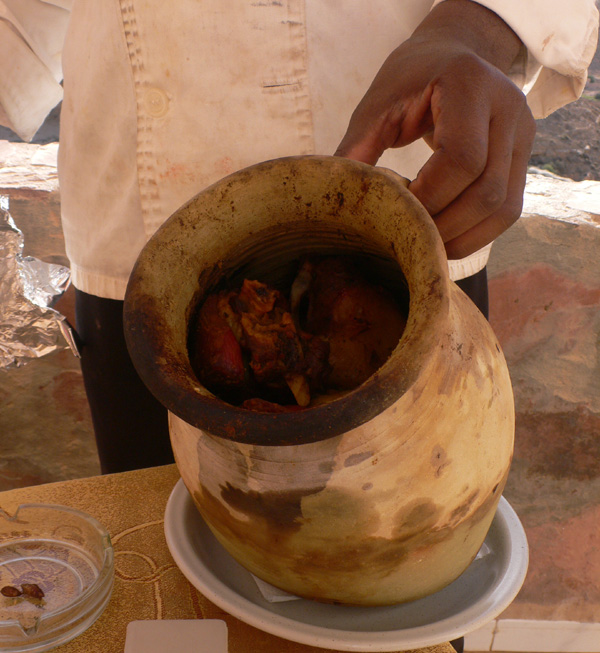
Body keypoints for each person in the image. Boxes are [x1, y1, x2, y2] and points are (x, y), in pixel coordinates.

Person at [2, 0, 598, 475]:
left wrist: (472, 31)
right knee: (155, 570)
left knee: (413, 562)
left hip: (413, 222)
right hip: (136, 252)